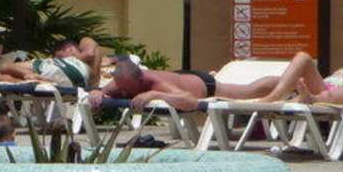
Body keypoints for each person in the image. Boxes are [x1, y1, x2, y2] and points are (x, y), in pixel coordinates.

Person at [92, 59, 276, 112]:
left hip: (203, 85)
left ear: (139, 80)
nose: (124, 92)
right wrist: (97, 93)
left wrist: (155, 95)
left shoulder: (156, 83)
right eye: (121, 88)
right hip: (180, 77)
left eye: (127, 88)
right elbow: (99, 91)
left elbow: (190, 101)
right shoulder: (121, 81)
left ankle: (284, 84)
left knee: (249, 91)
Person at [251, 52, 343, 106]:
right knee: (303, 57)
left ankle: (309, 99)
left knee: (331, 94)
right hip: (324, 86)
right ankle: (275, 96)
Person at [1, 37, 103, 89]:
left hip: (62, 77)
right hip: (63, 83)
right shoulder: (91, 65)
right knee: (5, 76)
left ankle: (34, 77)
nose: (57, 57)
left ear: (69, 48)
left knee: (4, 68)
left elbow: (90, 54)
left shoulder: (85, 42)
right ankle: (34, 77)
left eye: (59, 55)